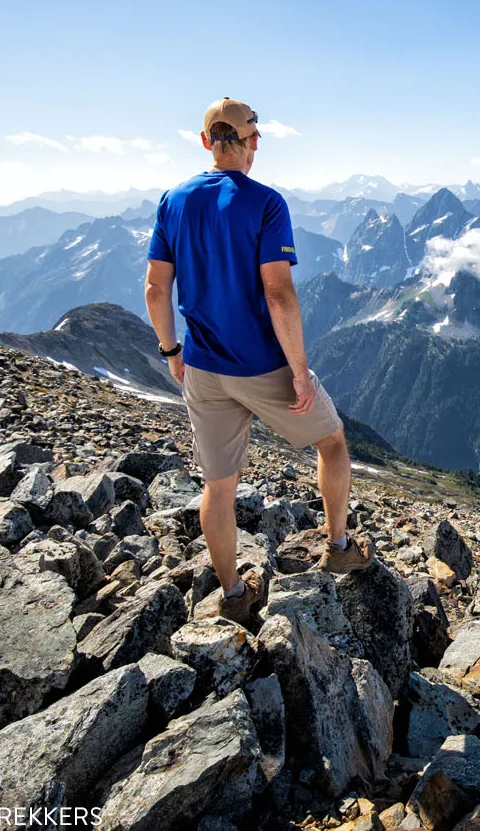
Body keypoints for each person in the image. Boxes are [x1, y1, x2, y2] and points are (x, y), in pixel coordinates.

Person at [143, 97, 372, 626]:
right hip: (261, 365)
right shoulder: (267, 204)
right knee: (332, 439)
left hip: (202, 366)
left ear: (205, 142)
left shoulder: (172, 201)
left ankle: (232, 595)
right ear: (252, 142)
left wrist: (172, 352)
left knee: (218, 487)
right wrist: (297, 371)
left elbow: (157, 288)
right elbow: (278, 295)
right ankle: (338, 546)